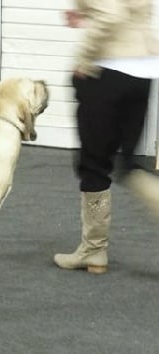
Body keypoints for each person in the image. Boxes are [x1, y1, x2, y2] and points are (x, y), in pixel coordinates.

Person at [53, 0, 159, 273]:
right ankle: (94, 251)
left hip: (108, 70)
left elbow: (110, 15)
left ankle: (93, 249)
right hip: (143, 67)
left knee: (94, 164)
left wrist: (84, 60)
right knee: (129, 166)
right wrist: (86, 11)